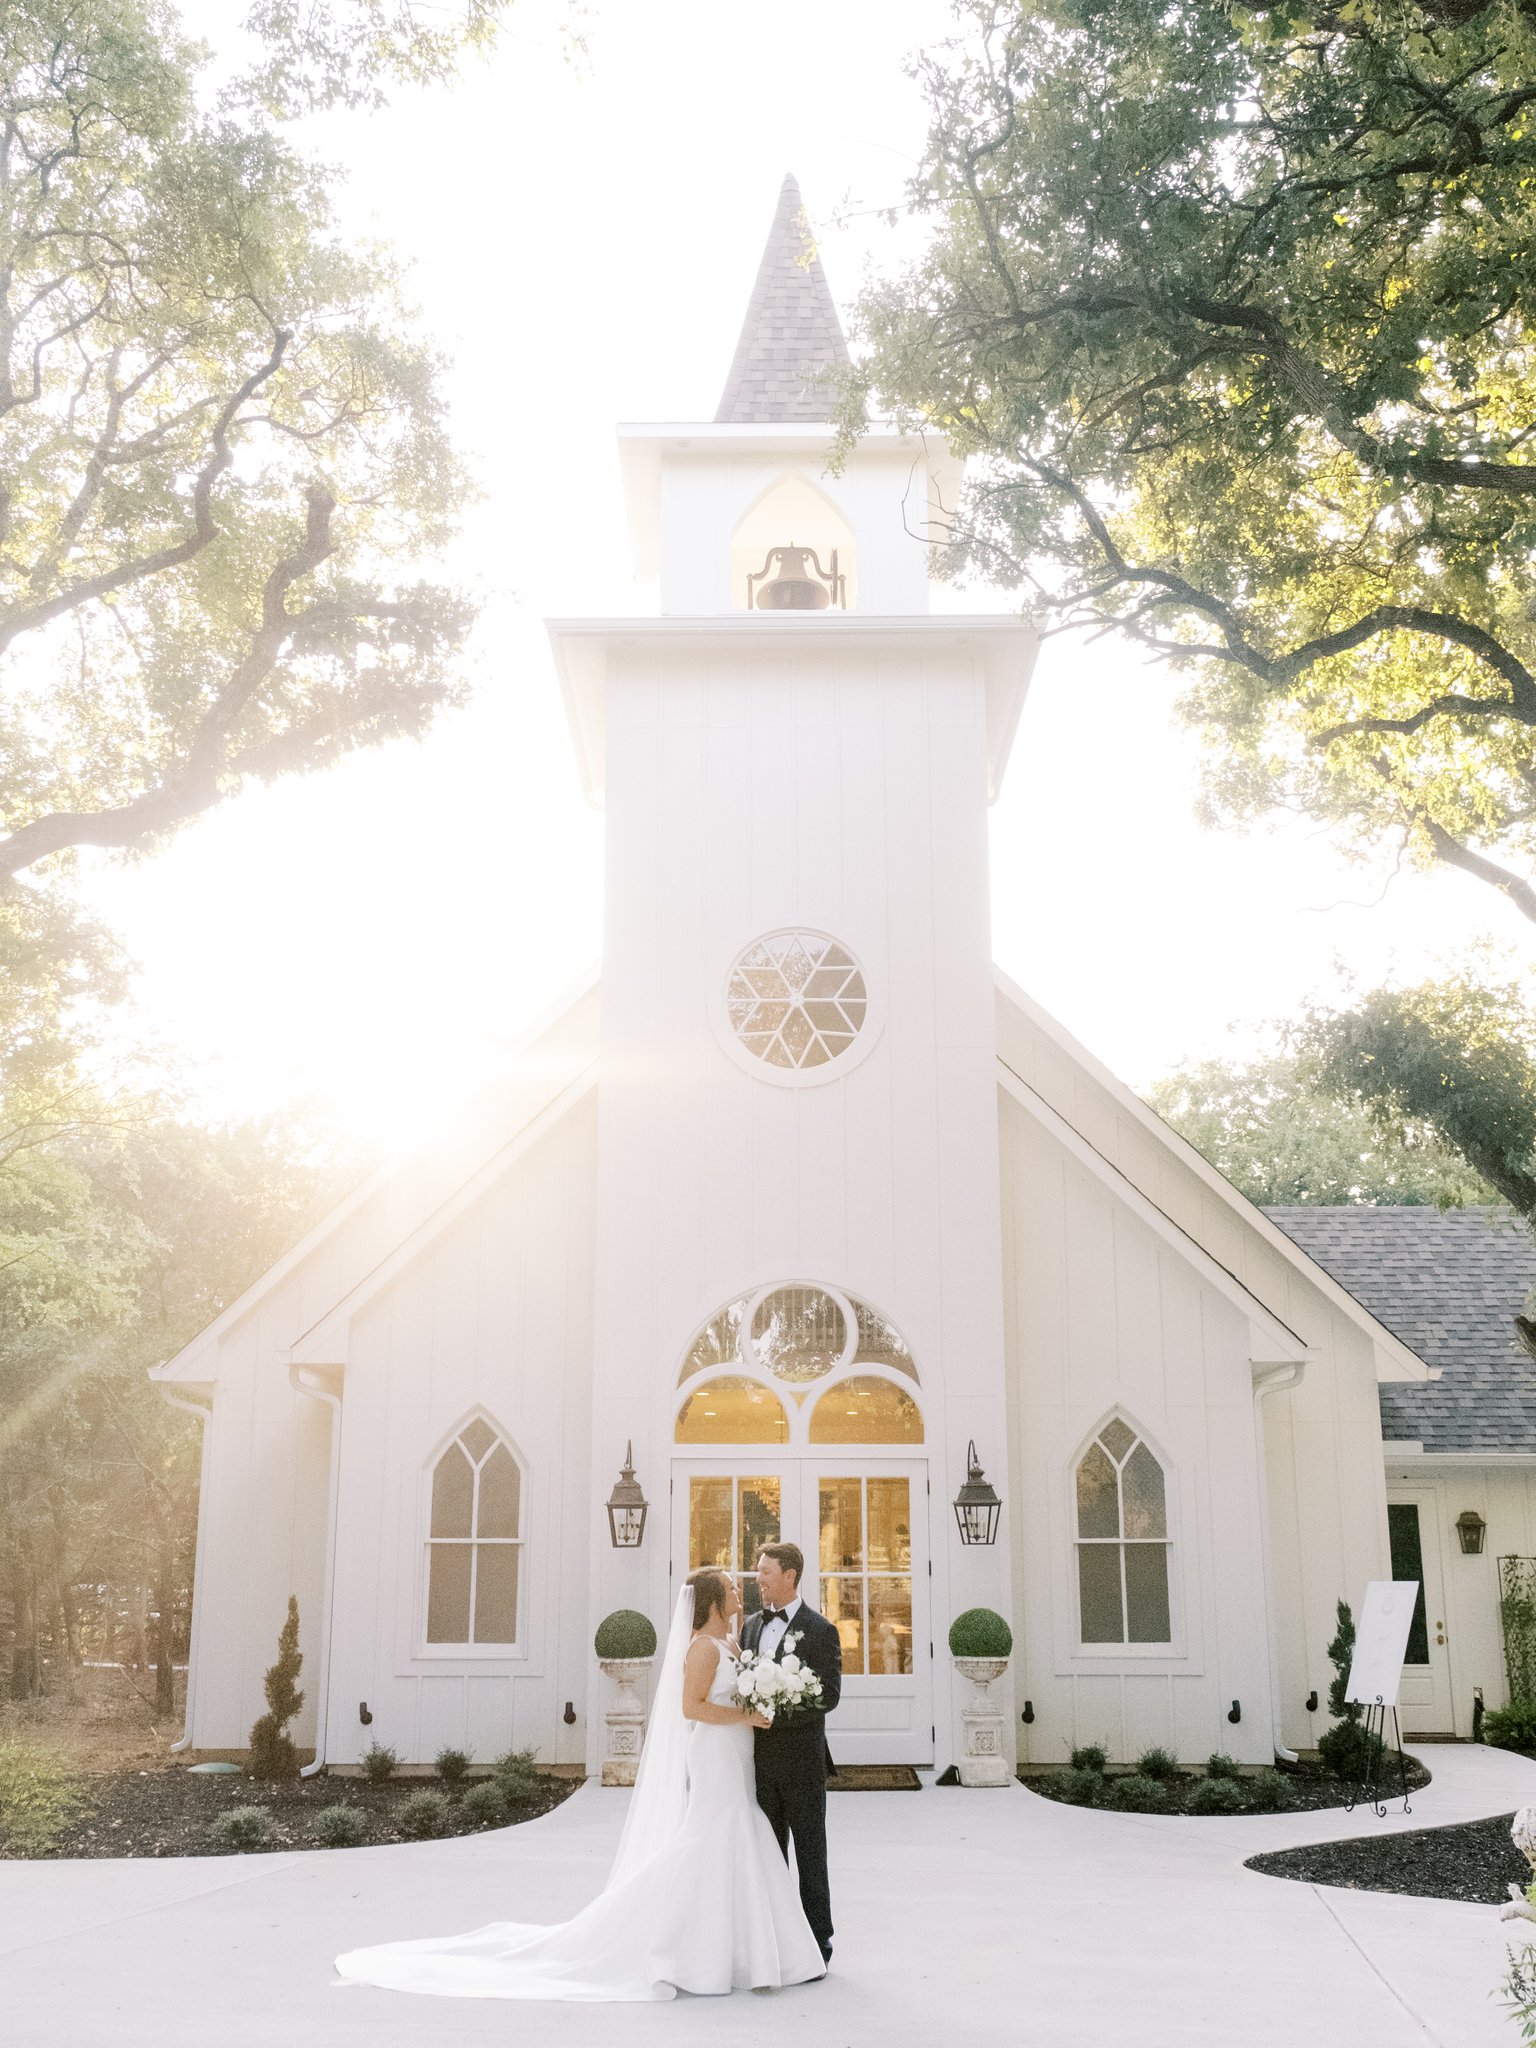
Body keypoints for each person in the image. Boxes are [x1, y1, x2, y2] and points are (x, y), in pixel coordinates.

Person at [332, 1569, 825, 2001]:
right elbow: (690, 1708)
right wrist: (744, 1716)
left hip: (738, 1753)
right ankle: (679, 1945)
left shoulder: (733, 1643)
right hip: (715, 1753)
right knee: (716, 1833)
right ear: (713, 1601)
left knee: (738, 1831)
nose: (740, 1592)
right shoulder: (700, 1648)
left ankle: (742, 1952)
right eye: (730, 1588)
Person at [740, 1543, 842, 1964]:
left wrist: (779, 1710)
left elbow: (829, 1695)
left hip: (802, 1762)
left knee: (810, 1852)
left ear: (790, 1575)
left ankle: (818, 1942)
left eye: (765, 1571)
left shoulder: (821, 1629)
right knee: (769, 1852)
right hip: (758, 1762)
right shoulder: (750, 1626)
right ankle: (776, 1938)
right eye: (758, 1571)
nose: (758, 1579)